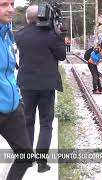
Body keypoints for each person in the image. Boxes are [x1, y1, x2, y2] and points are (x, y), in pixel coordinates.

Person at [15, 5, 66, 172]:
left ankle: (27, 160)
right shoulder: (51, 35)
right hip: (46, 85)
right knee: (45, 123)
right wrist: (59, 35)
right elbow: (62, 56)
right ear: (44, 17)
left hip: (26, 84)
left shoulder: (20, 34)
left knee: (27, 121)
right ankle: (42, 163)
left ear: (27, 18)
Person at [0, 0, 34, 179]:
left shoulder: (7, 34)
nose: (11, 9)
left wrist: (18, 99)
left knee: (26, 156)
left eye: (12, 4)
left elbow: (9, 71)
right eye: (4, 4)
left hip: (13, 108)